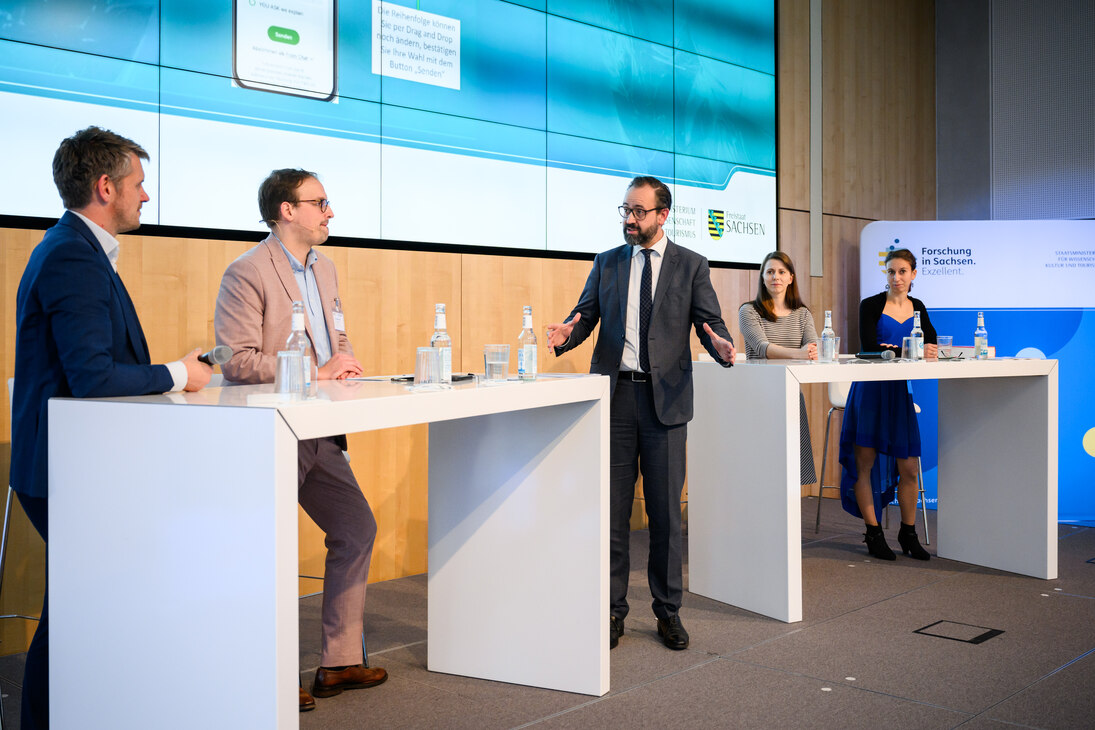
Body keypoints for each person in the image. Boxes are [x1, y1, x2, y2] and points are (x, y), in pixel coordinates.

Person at [11, 126, 212, 730]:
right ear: (106, 187)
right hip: (65, 468)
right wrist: (178, 372)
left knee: (78, 604)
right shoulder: (73, 253)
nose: (145, 196)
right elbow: (93, 377)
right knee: (77, 607)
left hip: (76, 464)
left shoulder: (75, 247)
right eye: (138, 184)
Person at [214, 168, 385, 712]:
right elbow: (236, 361)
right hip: (273, 430)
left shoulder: (326, 269)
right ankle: (266, 674)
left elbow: (335, 335)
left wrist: (348, 365)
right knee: (266, 552)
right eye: (320, 202)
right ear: (287, 210)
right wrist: (318, 371)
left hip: (320, 429)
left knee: (356, 527)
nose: (330, 211)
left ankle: (337, 661)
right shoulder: (246, 272)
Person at [547, 176, 736, 651]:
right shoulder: (607, 262)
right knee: (611, 513)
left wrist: (718, 342)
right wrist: (565, 334)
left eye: (638, 212)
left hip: (666, 403)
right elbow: (583, 315)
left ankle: (667, 611)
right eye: (625, 211)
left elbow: (709, 322)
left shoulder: (691, 265)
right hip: (615, 400)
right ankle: (612, 610)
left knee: (665, 515)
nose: (629, 220)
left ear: (662, 215)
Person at [838, 248, 936, 561]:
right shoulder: (870, 305)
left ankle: (908, 533)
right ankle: (873, 532)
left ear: (913, 274)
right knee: (864, 463)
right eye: (891, 272)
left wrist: (923, 349)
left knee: (908, 468)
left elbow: (930, 343)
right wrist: (898, 350)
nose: (896, 278)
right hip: (870, 391)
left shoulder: (918, 307)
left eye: (903, 272)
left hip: (900, 394)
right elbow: (867, 345)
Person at [738, 251, 819, 486]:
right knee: (761, 468)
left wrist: (808, 352)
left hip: (791, 394)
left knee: (792, 469)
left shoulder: (802, 314)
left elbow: (812, 346)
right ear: (763, 277)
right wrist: (799, 354)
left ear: (791, 278)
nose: (776, 277)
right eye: (770, 272)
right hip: (758, 395)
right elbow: (762, 347)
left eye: (782, 272)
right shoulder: (749, 311)